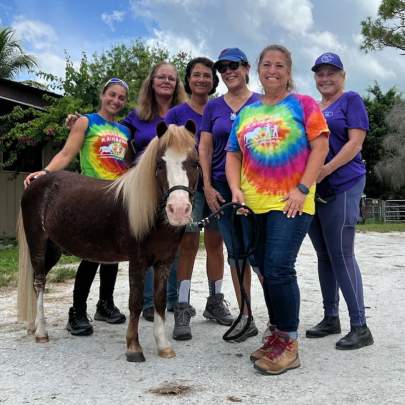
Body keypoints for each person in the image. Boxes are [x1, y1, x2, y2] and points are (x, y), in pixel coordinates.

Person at [226, 44, 329, 375]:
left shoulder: (303, 104)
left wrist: (303, 188)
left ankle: (289, 343)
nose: (272, 70)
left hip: (291, 202)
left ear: (288, 71)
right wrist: (235, 190)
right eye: (266, 64)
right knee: (263, 267)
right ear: (258, 69)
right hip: (251, 206)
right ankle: (276, 335)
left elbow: (320, 147)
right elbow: (233, 154)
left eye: (279, 65)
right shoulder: (246, 112)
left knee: (279, 267)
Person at [24, 78, 131, 336]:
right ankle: (77, 311)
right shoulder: (87, 122)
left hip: (118, 198)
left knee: (113, 255)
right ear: (102, 94)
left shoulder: (125, 131)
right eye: (112, 95)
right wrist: (46, 171)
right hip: (91, 196)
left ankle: (105, 305)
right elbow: (67, 153)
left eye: (121, 98)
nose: (115, 100)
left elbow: (127, 165)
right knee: (91, 256)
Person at [305, 52, 374, 350]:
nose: (325, 78)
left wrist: (325, 170)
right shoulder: (312, 108)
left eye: (331, 72)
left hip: (344, 183)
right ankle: (330, 316)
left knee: (342, 253)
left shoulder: (351, 101)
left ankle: (360, 326)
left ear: (342, 75)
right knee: (323, 254)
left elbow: (355, 142)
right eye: (320, 73)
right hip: (316, 190)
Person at [165, 57, 233, 340]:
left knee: (217, 244)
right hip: (189, 187)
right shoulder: (177, 113)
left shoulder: (220, 108)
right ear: (188, 79)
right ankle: (182, 306)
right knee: (189, 244)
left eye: (207, 75)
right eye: (197, 75)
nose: (202, 79)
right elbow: (166, 151)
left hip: (217, 184)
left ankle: (215, 301)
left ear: (213, 80)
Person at [199, 48, 261, 342]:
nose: (228, 71)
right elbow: (205, 148)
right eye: (222, 67)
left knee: (261, 253)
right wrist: (208, 186)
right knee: (236, 253)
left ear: (246, 67)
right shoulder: (213, 107)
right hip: (223, 188)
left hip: (257, 186)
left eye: (233, 65)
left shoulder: (262, 102)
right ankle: (245, 315)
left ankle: (278, 318)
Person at [122, 62, 187, 322]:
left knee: (173, 243)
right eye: (162, 77)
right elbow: (113, 136)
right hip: (144, 188)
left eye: (172, 78)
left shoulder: (183, 113)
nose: (167, 81)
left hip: (175, 184)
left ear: (177, 84)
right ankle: (148, 302)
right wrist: (81, 124)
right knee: (144, 244)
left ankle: (171, 298)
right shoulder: (137, 115)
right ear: (151, 81)